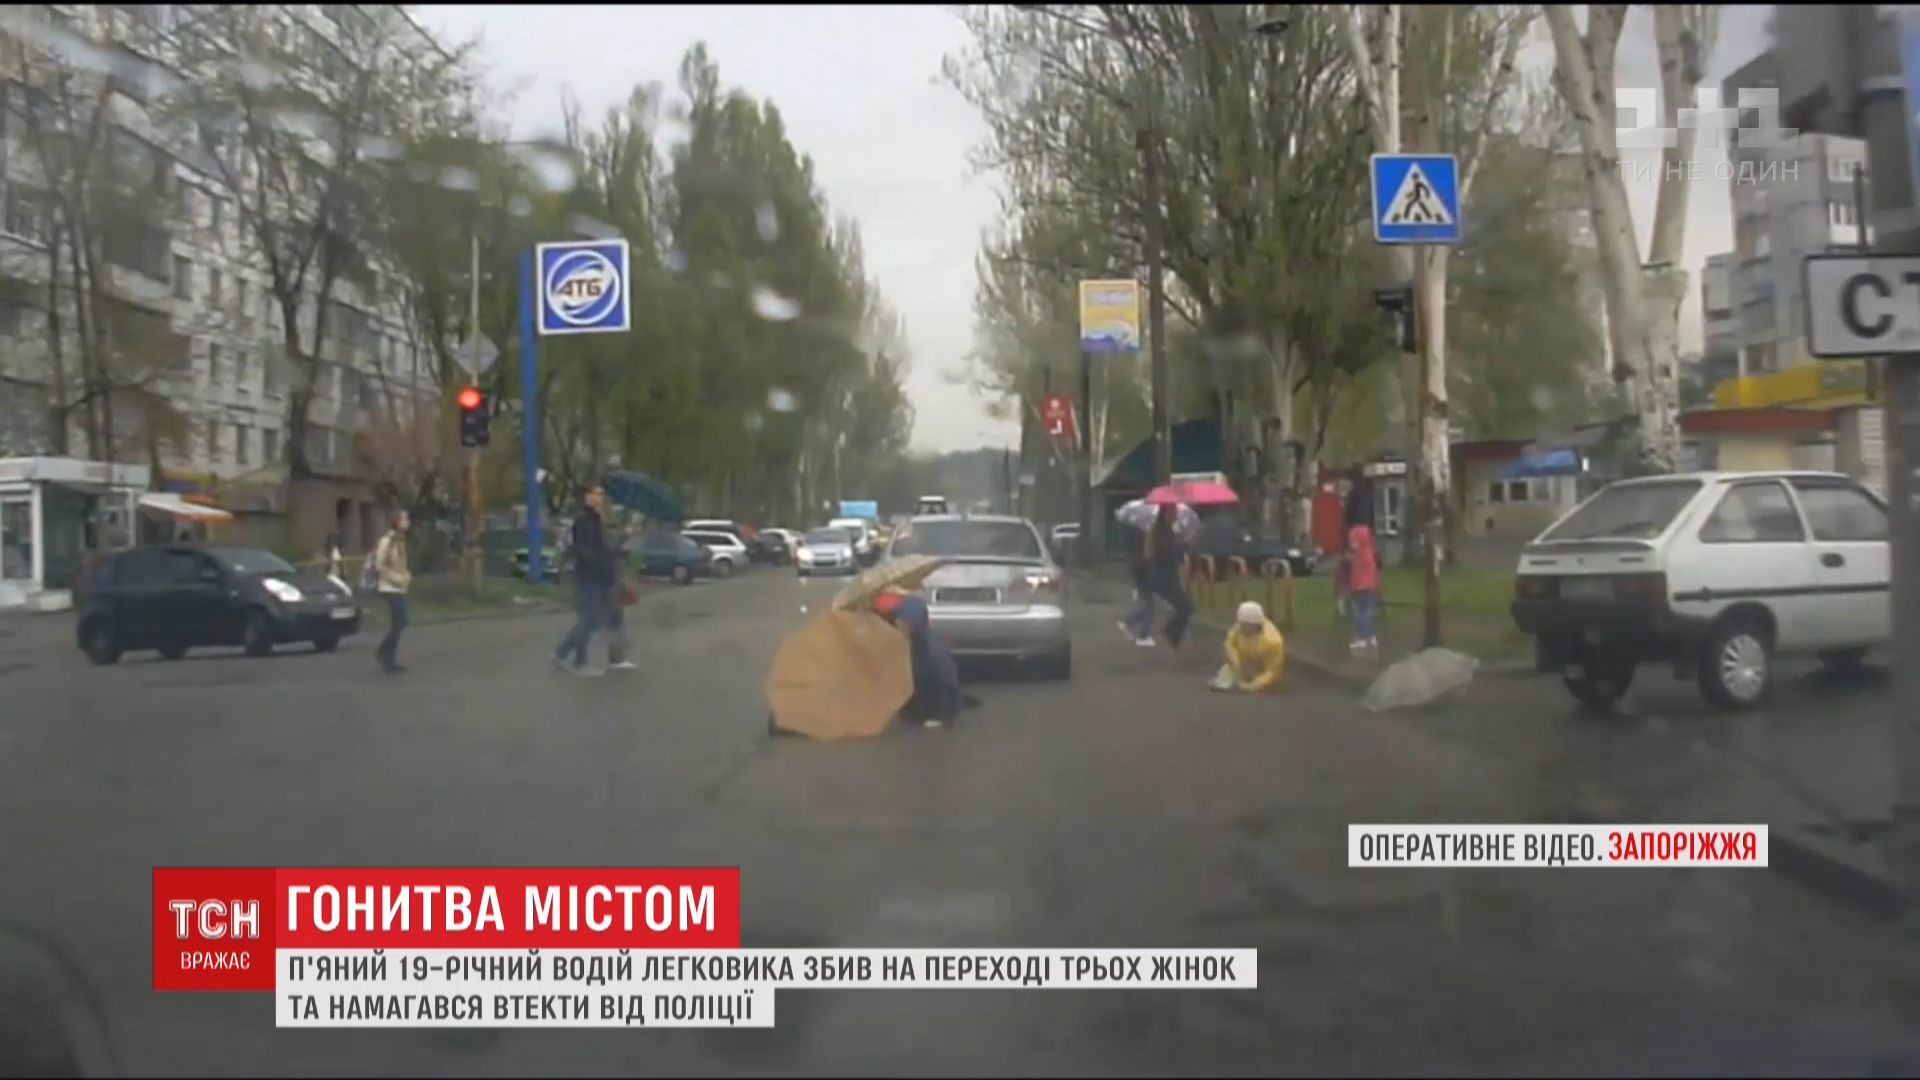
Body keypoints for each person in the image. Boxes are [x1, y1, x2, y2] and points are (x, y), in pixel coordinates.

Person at [873, 587, 961, 729]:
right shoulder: (903, 632)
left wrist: (940, 715)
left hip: (934, 686)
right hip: (920, 688)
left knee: (931, 676)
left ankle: (938, 712)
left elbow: (946, 680)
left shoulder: (930, 648)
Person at [553, 483, 616, 676]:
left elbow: (603, 547)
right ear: (586, 497)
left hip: (598, 576)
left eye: (602, 494)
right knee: (590, 619)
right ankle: (577, 660)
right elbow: (585, 549)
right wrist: (599, 563)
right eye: (595, 493)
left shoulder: (598, 520)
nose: (599, 498)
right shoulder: (584, 521)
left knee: (590, 619)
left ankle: (565, 653)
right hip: (589, 575)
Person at [1141, 502, 1194, 650]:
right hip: (1164, 577)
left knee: (1185, 607)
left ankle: (1172, 634)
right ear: (1165, 514)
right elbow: (1169, 553)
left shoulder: (1167, 531)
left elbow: (1172, 552)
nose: (1176, 515)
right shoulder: (1160, 532)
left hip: (1167, 576)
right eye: (1173, 512)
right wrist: (1184, 545)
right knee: (1186, 607)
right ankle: (1171, 634)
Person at [1213, 600, 1285, 693]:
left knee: (1268, 684)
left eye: (1245, 625)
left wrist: (1254, 685)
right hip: (1245, 660)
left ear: (1255, 625)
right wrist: (1236, 664)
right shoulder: (1239, 627)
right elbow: (1229, 644)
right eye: (1240, 623)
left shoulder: (1273, 642)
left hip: (1262, 667)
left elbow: (1272, 671)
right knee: (1227, 674)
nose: (1241, 627)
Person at [371, 511, 412, 674]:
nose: (408, 522)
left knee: (400, 622)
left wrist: (406, 576)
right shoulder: (387, 541)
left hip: (399, 587)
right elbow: (379, 565)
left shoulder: (400, 541)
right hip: (388, 587)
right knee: (401, 621)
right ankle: (383, 652)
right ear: (396, 522)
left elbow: (400, 564)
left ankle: (388, 659)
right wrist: (396, 578)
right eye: (405, 519)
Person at [1117, 516, 1157, 648]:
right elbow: (1148, 553)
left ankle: (1128, 622)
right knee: (1149, 603)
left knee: (1148, 602)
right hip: (1144, 567)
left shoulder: (1132, 530)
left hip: (1137, 566)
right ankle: (1143, 635)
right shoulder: (1146, 531)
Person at [1347, 511, 1382, 660]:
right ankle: (1371, 637)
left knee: (1360, 610)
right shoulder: (1368, 533)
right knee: (1368, 608)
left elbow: (1354, 548)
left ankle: (1361, 638)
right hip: (1371, 576)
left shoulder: (1355, 532)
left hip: (1360, 578)